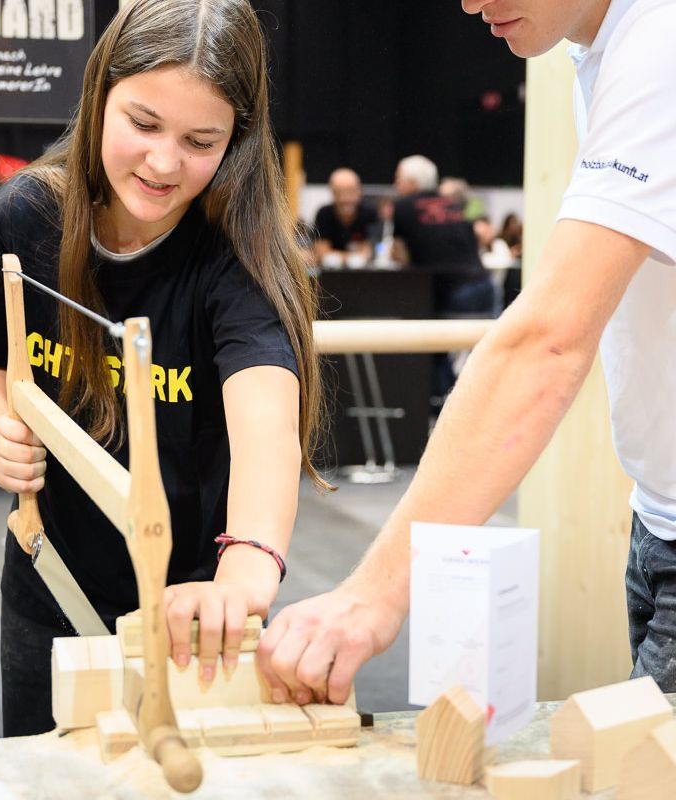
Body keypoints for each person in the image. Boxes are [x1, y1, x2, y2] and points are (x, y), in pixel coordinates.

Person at [257, 0, 676, 704]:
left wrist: (374, 593)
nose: (472, 3)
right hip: (657, 516)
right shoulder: (605, 48)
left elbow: (547, 342)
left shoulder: (660, 45)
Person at [0, 0, 325, 736]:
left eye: (200, 140)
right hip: (46, 579)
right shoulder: (25, 217)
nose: (162, 162)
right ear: (99, 97)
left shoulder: (238, 260)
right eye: (143, 124)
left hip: (194, 612)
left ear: (237, 142)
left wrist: (245, 572)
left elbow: (267, 425)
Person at [392, 155, 495, 404]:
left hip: (452, 290)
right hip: (484, 284)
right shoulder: (450, 203)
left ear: (411, 181)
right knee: (485, 353)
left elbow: (398, 253)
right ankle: (477, 405)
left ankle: (450, 407)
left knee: (431, 349)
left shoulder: (404, 206)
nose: (395, 184)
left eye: (398, 179)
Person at [313, 168, 377, 268]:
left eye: (350, 191)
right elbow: (321, 251)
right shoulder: (324, 214)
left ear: (359, 191)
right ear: (332, 193)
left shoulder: (369, 213)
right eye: (339, 192)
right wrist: (349, 258)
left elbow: (369, 250)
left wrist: (336, 256)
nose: (345, 198)